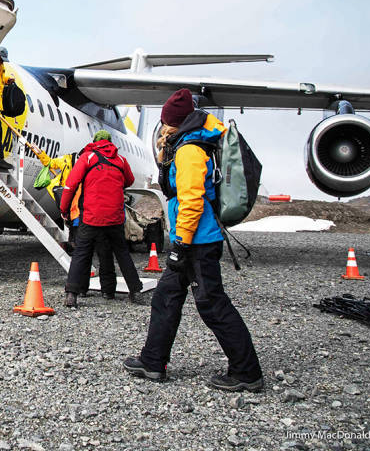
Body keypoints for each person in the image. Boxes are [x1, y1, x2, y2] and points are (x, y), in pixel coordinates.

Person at [123, 88, 263, 392]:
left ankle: (247, 371)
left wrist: (181, 245)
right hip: (194, 238)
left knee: (212, 303)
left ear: (173, 122)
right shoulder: (190, 144)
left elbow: (191, 201)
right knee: (166, 297)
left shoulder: (189, 151)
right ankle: (152, 361)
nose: (162, 128)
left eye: (164, 122)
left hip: (197, 242)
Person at [59, 130, 142, 306]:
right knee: (121, 253)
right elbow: (130, 180)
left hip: (91, 216)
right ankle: (134, 290)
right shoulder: (120, 160)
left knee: (81, 253)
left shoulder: (88, 157)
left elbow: (70, 185)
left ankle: (72, 294)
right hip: (115, 217)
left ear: (95, 141)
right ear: (110, 142)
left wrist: (64, 209)